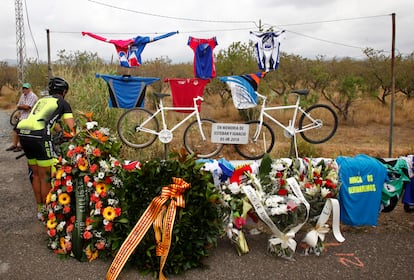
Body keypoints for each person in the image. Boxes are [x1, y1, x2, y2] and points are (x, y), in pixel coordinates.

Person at [16, 77, 75, 219]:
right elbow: (72, 129)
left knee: (35, 175)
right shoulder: (63, 103)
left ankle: (39, 209)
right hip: (39, 136)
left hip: (23, 132)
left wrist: (59, 131)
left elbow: (46, 120)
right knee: (45, 177)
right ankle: (48, 212)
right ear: (64, 91)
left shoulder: (41, 101)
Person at [5, 83, 38, 152]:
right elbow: (19, 106)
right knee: (15, 130)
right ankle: (14, 145)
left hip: (30, 117)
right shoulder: (23, 96)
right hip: (23, 116)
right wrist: (20, 110)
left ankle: (20, 146)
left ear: (30, 89)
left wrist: (21, 106)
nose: (24, 90)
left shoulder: (33, 96)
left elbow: (27, 107)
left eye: (26, 88)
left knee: (22, 131)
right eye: (23, 88)